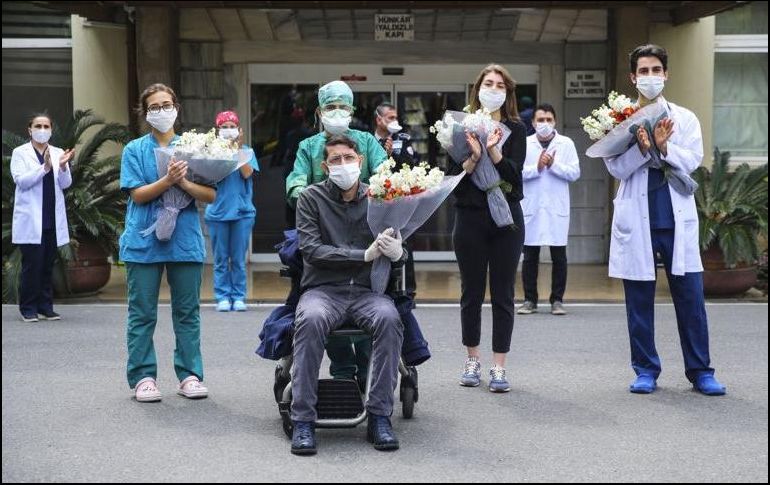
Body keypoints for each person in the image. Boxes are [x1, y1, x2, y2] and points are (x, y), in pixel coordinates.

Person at [604, 44, 726, 396]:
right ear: (632, 77)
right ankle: (645, 370)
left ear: (666, 74)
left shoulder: (684, 118)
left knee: (691, 300)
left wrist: (662, 146)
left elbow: (691, 160)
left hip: (676, 221)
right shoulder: (620, 121)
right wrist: (644, 150)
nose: (650, 77)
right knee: (638, 302)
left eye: (656, 70)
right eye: (643, 71)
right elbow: (615, 168)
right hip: (638, 221)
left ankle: (701, 371)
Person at [290, 134, 406, 455]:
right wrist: (361, 256)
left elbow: (400, 247)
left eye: (349, 158)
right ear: (325, 167)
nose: (343, 165)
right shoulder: (311, 199)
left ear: (361, 161)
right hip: (324, 290)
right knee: (310, 320)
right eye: (336, 160)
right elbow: (311, 250)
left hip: (368, 292)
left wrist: (398, 252)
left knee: (389, 319)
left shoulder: (381, 198)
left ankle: (380, 416)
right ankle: (302, 420)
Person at [285, 80, 389, 387]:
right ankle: (343, 369)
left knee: (379, 301)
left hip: (365, 229)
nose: (337, 112)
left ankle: (369, 369)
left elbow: (386, 178)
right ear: (319, 112)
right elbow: (295, 182)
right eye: (331, 107)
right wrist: (313, 199)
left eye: (344, 106)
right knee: (322, 303)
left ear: (352, 110)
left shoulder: (367, 142)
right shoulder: (308, 147)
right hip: (323, 233)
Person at [120, 83, 216, 403]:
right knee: (142, 312)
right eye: (155, 107)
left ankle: (189, 374)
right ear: (145, 113)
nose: (162, 111)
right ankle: (143, 376)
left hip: (184, 238)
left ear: (177, 106)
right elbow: (138, 194)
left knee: (187, 312)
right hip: (143, 239)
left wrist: (184, 182)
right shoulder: (134, 150)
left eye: (166, 104)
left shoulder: (195, 147)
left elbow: (210, 195)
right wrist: (168, 180)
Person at [447, 64, 527, 392]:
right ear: (477, 88)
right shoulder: (459, 126)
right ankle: (472, 359)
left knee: (504, 293)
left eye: (499, 85)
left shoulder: (516, 129)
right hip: (469, 217)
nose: (492, 89)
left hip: (506, 220)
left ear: (507, 93)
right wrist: (471, 158)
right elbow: (451, 178)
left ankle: (498, 366)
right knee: (471, 291)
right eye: (487, 83)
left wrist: (492, 151)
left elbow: (516, 180)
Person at [10, 113, 74, 322]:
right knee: (32, 266)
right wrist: (45, 167)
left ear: (51, 130)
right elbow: (22, 181)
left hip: (52, 219)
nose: (42, 129)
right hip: (31, 220)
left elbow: (65, 184)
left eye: (46, 126)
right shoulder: (20, 153)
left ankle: (46, 306)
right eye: (38, 125)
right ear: (29, 130)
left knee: (47, 265)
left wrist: (63, 166)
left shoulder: (57, 153)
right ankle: (28, 308)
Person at [518, 104, 580, 316]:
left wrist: (554, 165)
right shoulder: (525, 144)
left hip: (556, 208)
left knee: (559, 256)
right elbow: (516, 173)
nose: (544, 124)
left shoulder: (566, 144)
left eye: (548, 120)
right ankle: (529, 300)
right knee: (530, 256)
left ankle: (557, 300)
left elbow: (574, 173)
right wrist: (537, 167)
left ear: (554, 121)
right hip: (532, 207)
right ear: (533, 123)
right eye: (540, 120)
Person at [205, 110, 260, 312]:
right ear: (217, 130)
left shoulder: (247, 151)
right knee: (220, 259)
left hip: (242, 214)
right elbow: (205, 177)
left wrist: (237, 148)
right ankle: (222, 297)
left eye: (232, 126)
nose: (228, 130)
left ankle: (238, 296)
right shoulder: (210, 152)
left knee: (238, 259)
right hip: (217, 214)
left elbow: (247, 173)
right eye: (224, 127)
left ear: (239, 130)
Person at [373, 102, 418, 300]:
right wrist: (383, 152)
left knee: (403, 241)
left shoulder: (403, 139)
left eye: (395, 117)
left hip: (399, 199)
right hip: (376, 200)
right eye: (390, 117)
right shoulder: (367, 141)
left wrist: (393, 155)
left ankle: (407, 290)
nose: (394, 121)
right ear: (379, 119)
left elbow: (410, 165)